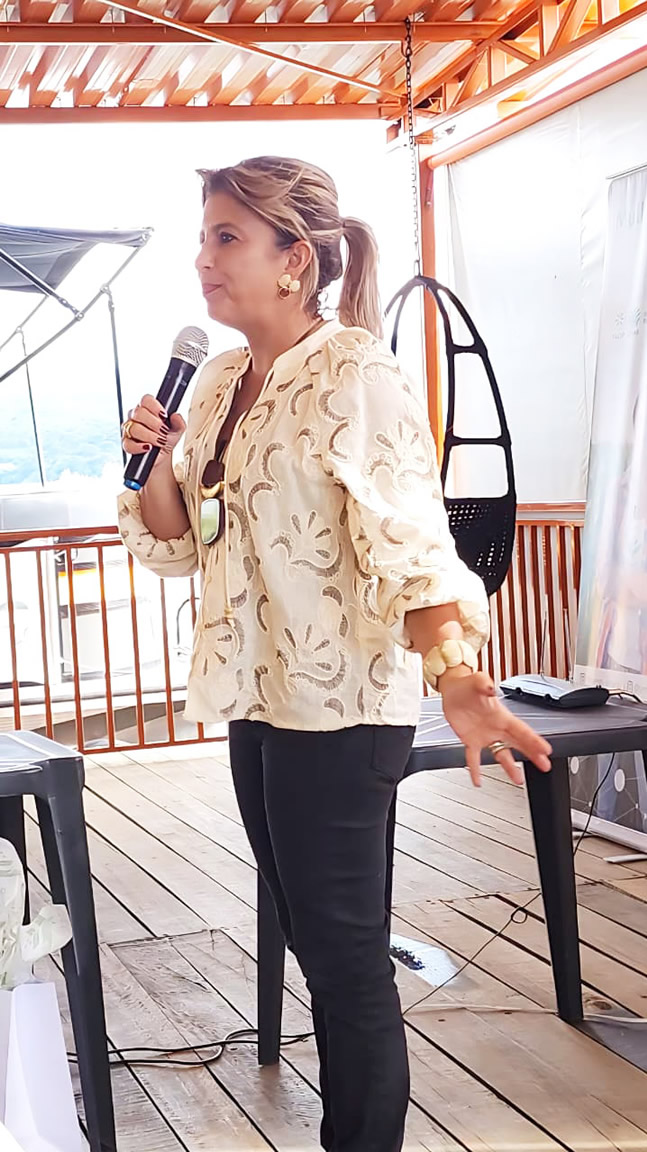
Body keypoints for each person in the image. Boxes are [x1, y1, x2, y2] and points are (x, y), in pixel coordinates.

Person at [118, 155, 552, 1152]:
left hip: (342, 709)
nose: (202, 259)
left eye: (225, 237)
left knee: (346, 961)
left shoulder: (356, 373)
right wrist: (152, 460)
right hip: (257, 701)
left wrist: (456, 675)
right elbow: (180, 541)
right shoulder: (219, 381)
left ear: (294, 260)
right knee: (314, 942)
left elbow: (410, 543)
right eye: (202, 238)